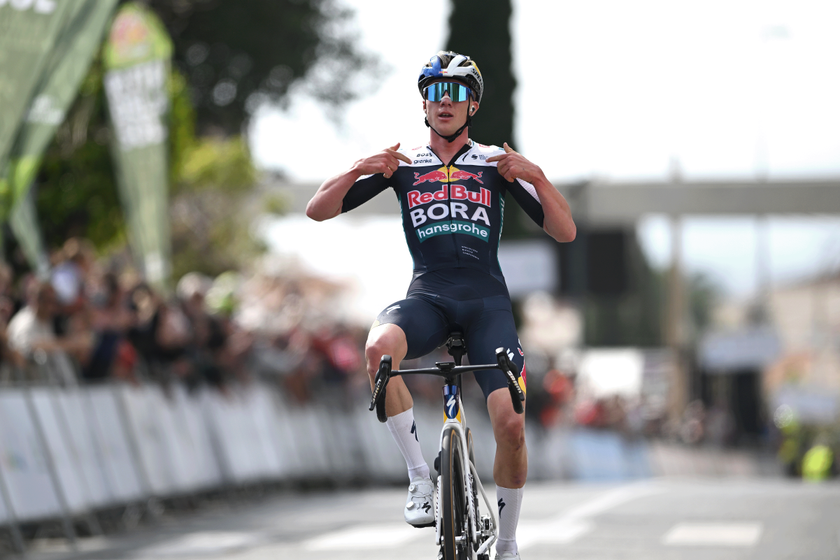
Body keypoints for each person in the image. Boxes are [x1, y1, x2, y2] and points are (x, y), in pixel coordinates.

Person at [306, 51, 576, 560]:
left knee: (511, 424)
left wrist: (536, 175)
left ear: (472, 104)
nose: (443, 101)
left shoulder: (495, 162)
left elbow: (565, 230)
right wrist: (359, 167)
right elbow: (317, 209)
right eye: (433, 92)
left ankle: (509, 542)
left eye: (454, 93)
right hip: (427, 298)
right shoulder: (403, 165)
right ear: (424, 104)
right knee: (378, 349)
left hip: (486, 306)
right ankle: (418, 479)